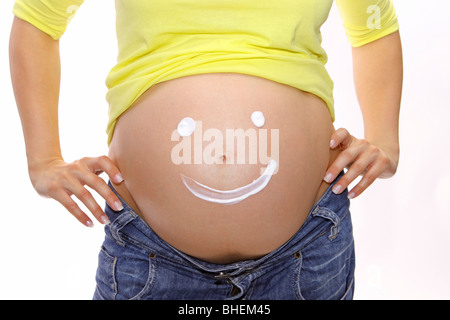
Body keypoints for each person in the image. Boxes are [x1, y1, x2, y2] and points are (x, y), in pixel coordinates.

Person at [9, 0, 402, 300]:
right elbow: (38, 21)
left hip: (306, 249)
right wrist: (43, 160)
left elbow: (374, 29)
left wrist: (385, 139)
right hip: (151, 251)